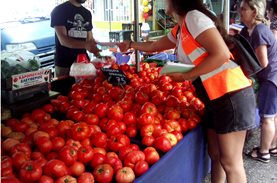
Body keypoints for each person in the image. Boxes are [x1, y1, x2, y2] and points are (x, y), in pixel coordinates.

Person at [118, 0, 256, 182]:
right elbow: (154, 47)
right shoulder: (181, 28)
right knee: (215, 154)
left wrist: (187, 75)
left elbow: (221, 53)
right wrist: (131, 45)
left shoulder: (193, 17)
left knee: (231, 163)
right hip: (213, 96)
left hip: (231, 93)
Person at [239, 0, 277, 163]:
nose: (239, 11)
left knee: (267, 117)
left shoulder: (259, 31)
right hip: (271, 77)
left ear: (254, 12)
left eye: (243, 9)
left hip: (271, 78)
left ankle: (263, 152)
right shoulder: (248, 30)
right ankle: (272, 146)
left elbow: (262, 63)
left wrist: (245, 74)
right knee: (273, 116)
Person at [50, 0, 99, 78]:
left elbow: (90, 40)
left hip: (83, 62)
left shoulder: (87, 13)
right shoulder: (59, 10)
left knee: (84, 88)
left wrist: (99, 55)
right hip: (64, 65)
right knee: (65, 89)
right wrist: (86, 45)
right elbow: (63, 40)